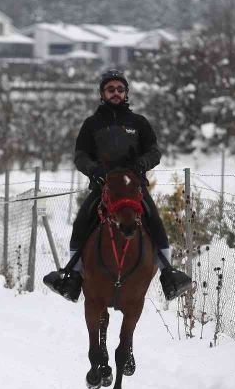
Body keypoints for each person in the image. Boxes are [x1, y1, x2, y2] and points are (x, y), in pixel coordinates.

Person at [43, 69, 192, 302]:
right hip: (103, 188)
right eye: (110, 89)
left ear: (126, 93)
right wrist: (95, 171)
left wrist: (142, 163)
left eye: (120, 89)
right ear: (102, 93)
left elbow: (154, 151)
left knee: (155, 223)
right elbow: (80, 156)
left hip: (133, 188)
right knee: (82, 223)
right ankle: (73, 277)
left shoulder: (139, 123)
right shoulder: (91, 124)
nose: (116, 93)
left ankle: (168, 275)